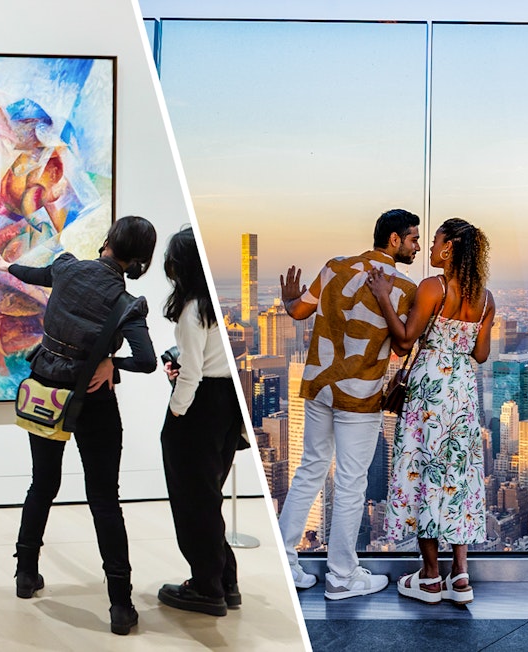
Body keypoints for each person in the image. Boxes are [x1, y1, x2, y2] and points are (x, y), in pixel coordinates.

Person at [0, 215, 158, 635]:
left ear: (108, 240)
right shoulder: (127, 304)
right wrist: (113, 363)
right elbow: (148, 361)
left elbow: (37, 274)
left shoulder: (67, 269)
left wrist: (8, 267)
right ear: (140, 258)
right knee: (104, 499)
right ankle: (120, 606)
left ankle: (26, 574)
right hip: (93, 400)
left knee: (42, 483)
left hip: (46, 391)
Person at [277, 209, 420, 600]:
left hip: (320, 385)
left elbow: (298, 310)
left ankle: (284, 563)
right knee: (351, 484)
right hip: (359, 395)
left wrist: (288, 299)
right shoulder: (405, 287)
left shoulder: (334, 267)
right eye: (412, 239)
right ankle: (341, 576)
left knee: (310, 470)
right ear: (394, 239)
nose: (416, 246)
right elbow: (403, 345)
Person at [367, 217, 495, 606]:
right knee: (458, 475)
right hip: (463, 392)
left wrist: (383, 296)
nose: (431, 248)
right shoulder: (486, 299)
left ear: (450, 247)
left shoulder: (432, 288)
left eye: (436, 241)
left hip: (429, 391)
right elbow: (481, 354)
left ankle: (430, 576)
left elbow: (405, 341)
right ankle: (461, 576)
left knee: (425, 471)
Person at [155, 226, 249, 617]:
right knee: (208, 496)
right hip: (226, 404)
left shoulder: (193, 309)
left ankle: (206, 587)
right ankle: (226, 581)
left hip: (200, 408)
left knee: (192, 499)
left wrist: (177, 410)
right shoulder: (215, 307)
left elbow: (192, 372)